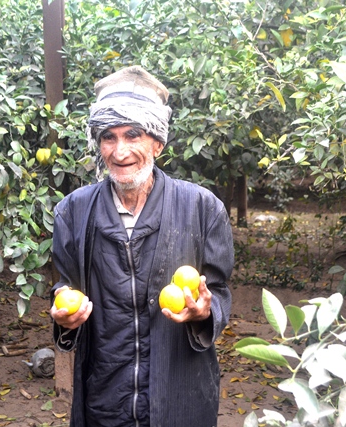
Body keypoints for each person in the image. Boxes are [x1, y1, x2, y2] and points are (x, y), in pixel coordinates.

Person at [49, 65, 234, 427]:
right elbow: (66, 286)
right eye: (109, 137)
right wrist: (65, 317)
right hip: (105, 397)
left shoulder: (202, 208)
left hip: (180, 397)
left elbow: (219, 291)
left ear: (157, 143)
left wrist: (205, 311)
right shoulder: (73, 212)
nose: (120, 152)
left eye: (133, 135)